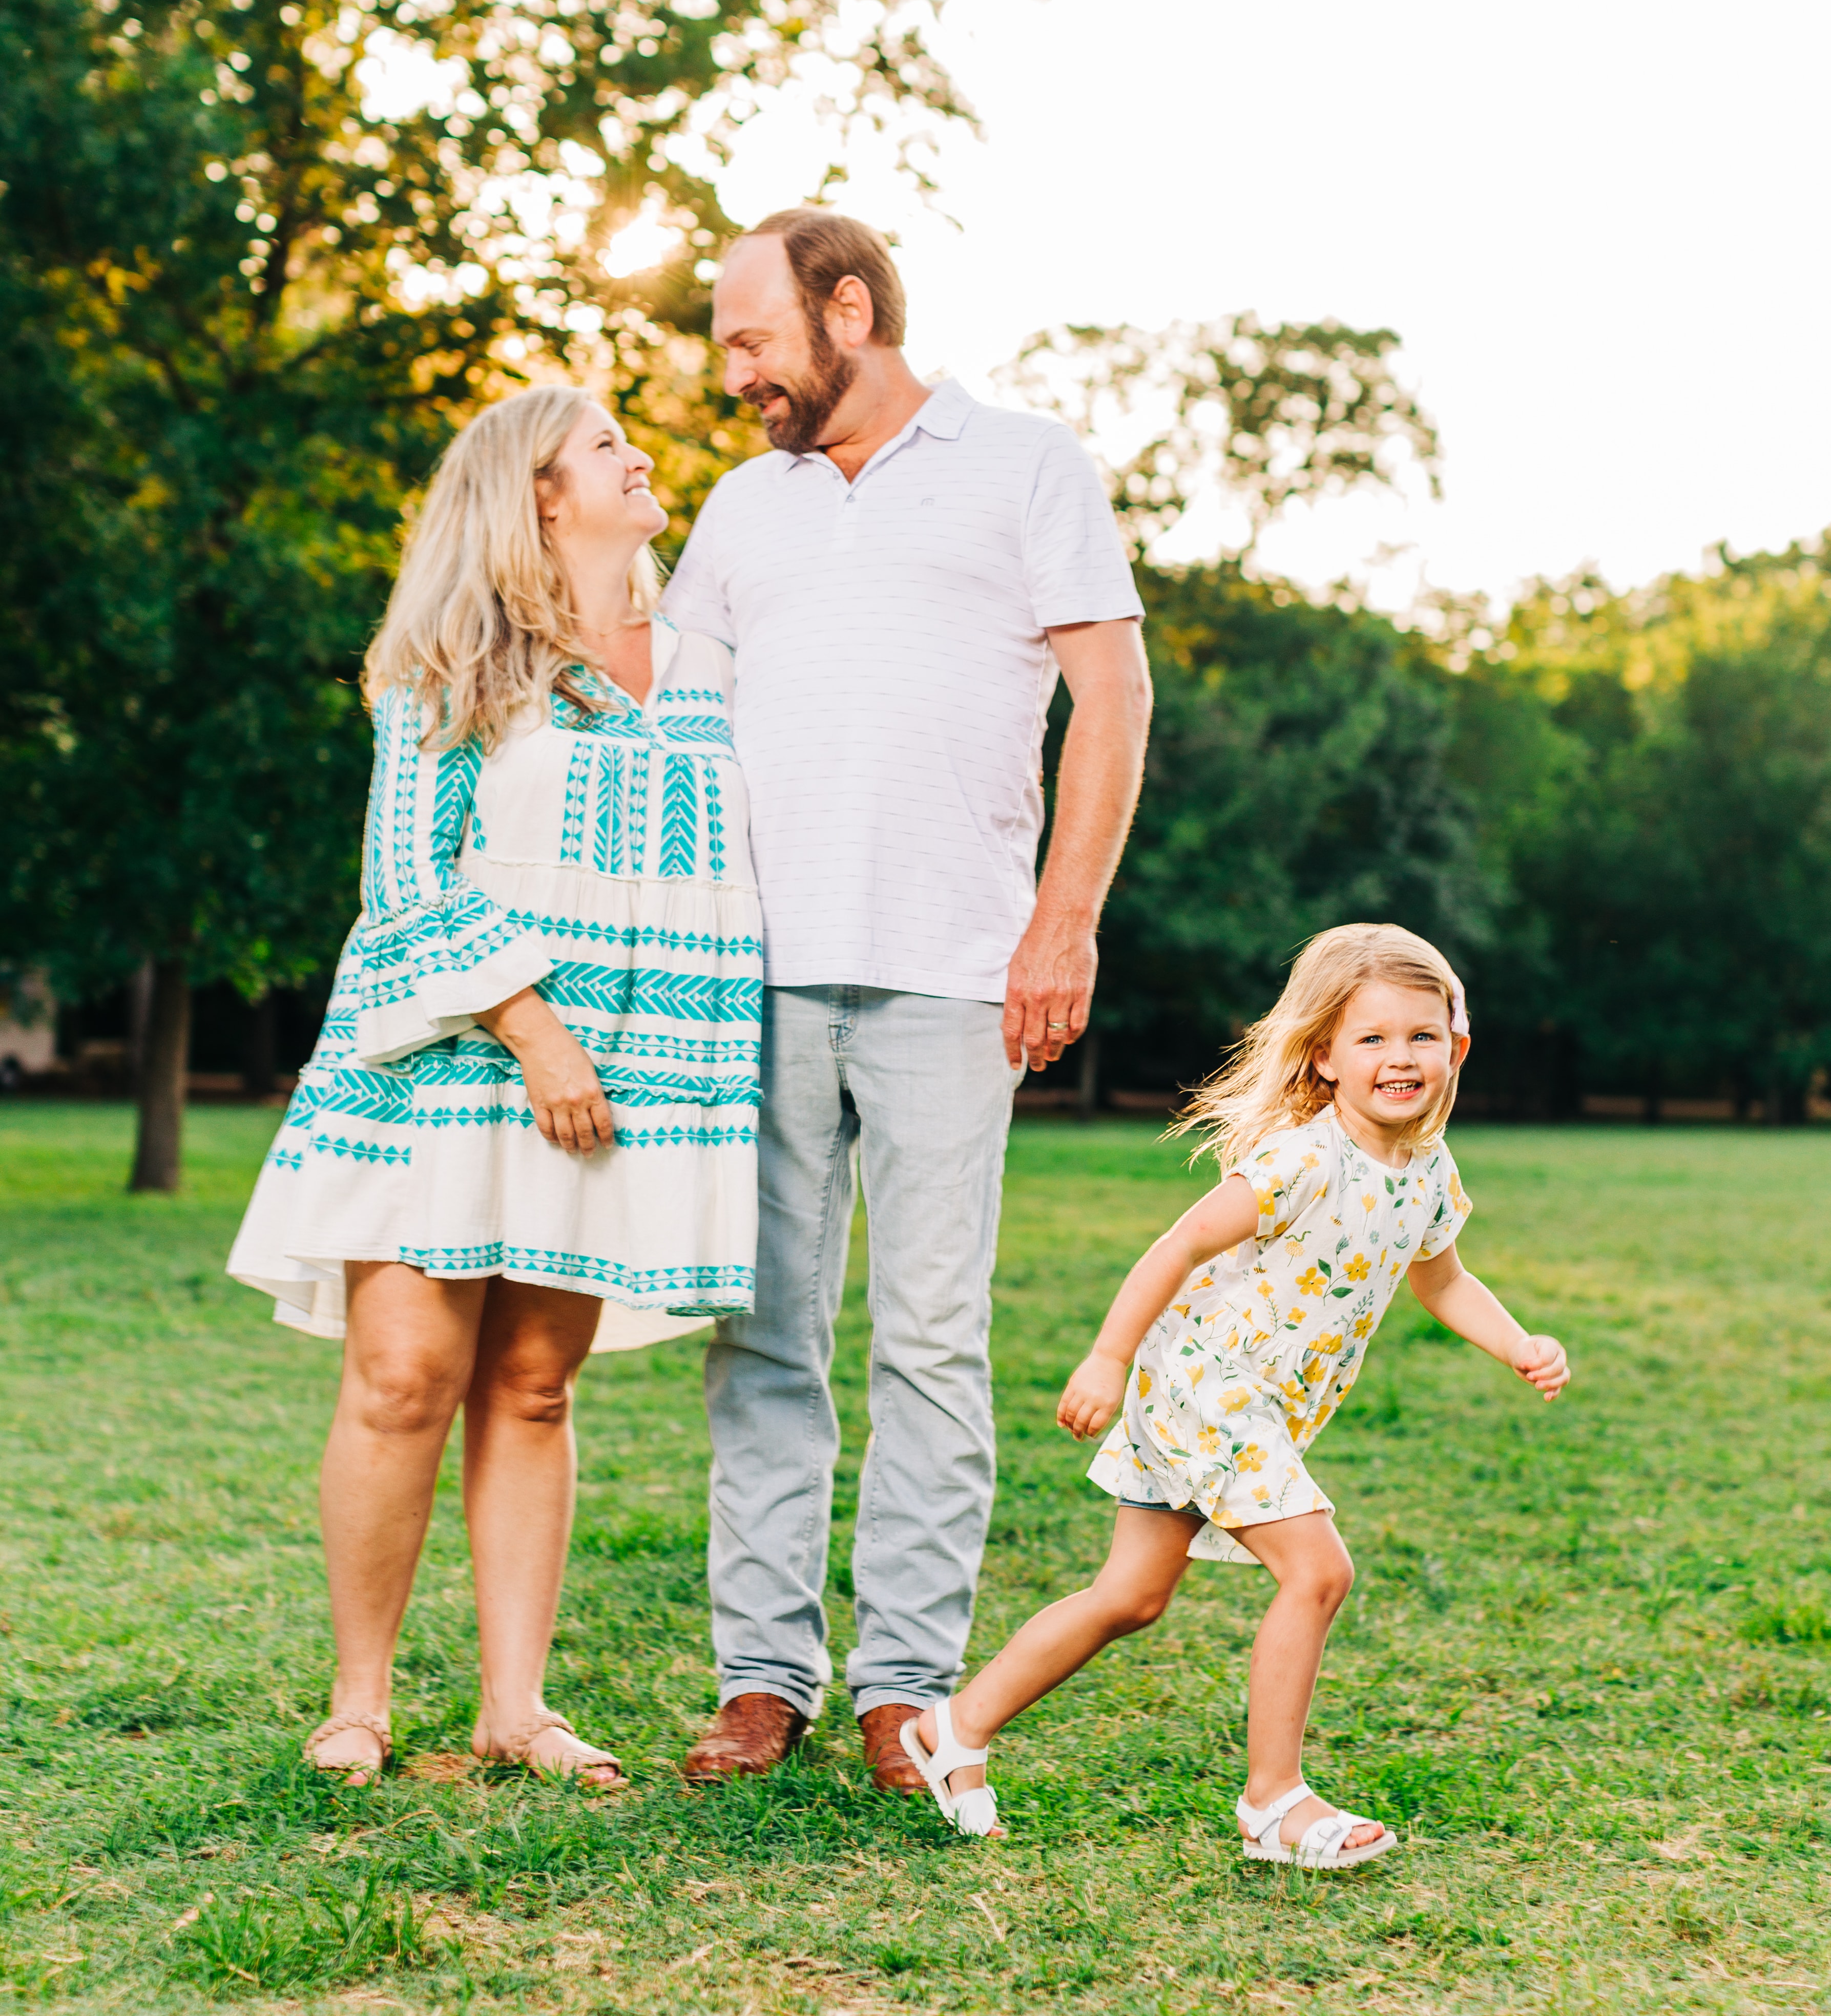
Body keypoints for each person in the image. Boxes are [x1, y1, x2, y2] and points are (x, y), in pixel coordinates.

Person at [662, 208, 1152, 1788]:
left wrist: (1060, 923)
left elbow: (1114, 693)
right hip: (760, 978)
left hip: (955, 973)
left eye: (751, 338)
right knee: (764, 1338)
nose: (733, 371)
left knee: (934, 1341)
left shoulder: (1023, 466)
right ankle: (763, 1679)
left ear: (849, 310)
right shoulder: (741, 510)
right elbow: (672, 732)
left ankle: (904, 1686)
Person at [226, 385, 761, 1784]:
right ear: (534, 490)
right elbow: (403, 880)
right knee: (404, 1374)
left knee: (533, 1385)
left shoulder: (712, 657)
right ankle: (360, 1698)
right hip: (457, 1055)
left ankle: (515, 1708)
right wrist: (534, 1027)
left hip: (635, 1069)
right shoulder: (450, 662)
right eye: (604, 445)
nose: (639, 456)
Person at [898, 922, 1571, 1864]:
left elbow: (1444, 1281)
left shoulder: (1429, 1173)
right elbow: (1179, 1247)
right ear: (1326, 1057)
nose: (1400, 1057)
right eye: (1372, 1038)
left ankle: (952, 1730)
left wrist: (1520, 1343)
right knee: (1318, 1571)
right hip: (1206, 1390)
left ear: (1456, 1048)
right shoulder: (1302, 1158)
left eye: (1421, 1035)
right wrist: (1104, 1359)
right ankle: (1274, 1805)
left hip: (1255, 1407)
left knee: (1130, 1597)